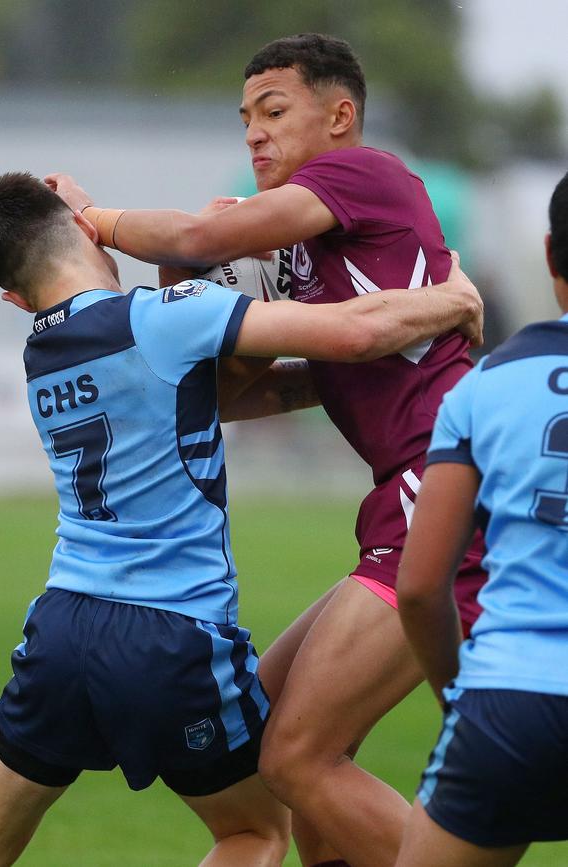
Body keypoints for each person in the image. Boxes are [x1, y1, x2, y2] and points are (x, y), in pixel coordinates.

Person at [0, 171, 481, 867]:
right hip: (171, 636)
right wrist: (452, 297)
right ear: (87, 229)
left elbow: (214, 393)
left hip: (62, 630)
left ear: (13, 296)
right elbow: (359, 329)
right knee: (255, 830)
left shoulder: (42, 357)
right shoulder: (162, 315)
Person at [45, 33, 487, 867]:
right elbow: (280, 387)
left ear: (341, 116)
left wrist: (90, 221)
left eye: (274, 110)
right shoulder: (296, 255)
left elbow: (201, 241)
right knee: (274, 726)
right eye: (245, 117)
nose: (253, 132)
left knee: (295, 755)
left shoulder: (366, 174)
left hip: (440, 483)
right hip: (404, 494)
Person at [395, 172, 568, 867]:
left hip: (510, 697)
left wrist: (460, 694)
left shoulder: (487, 384)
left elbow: (419, 586)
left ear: (553, 256)